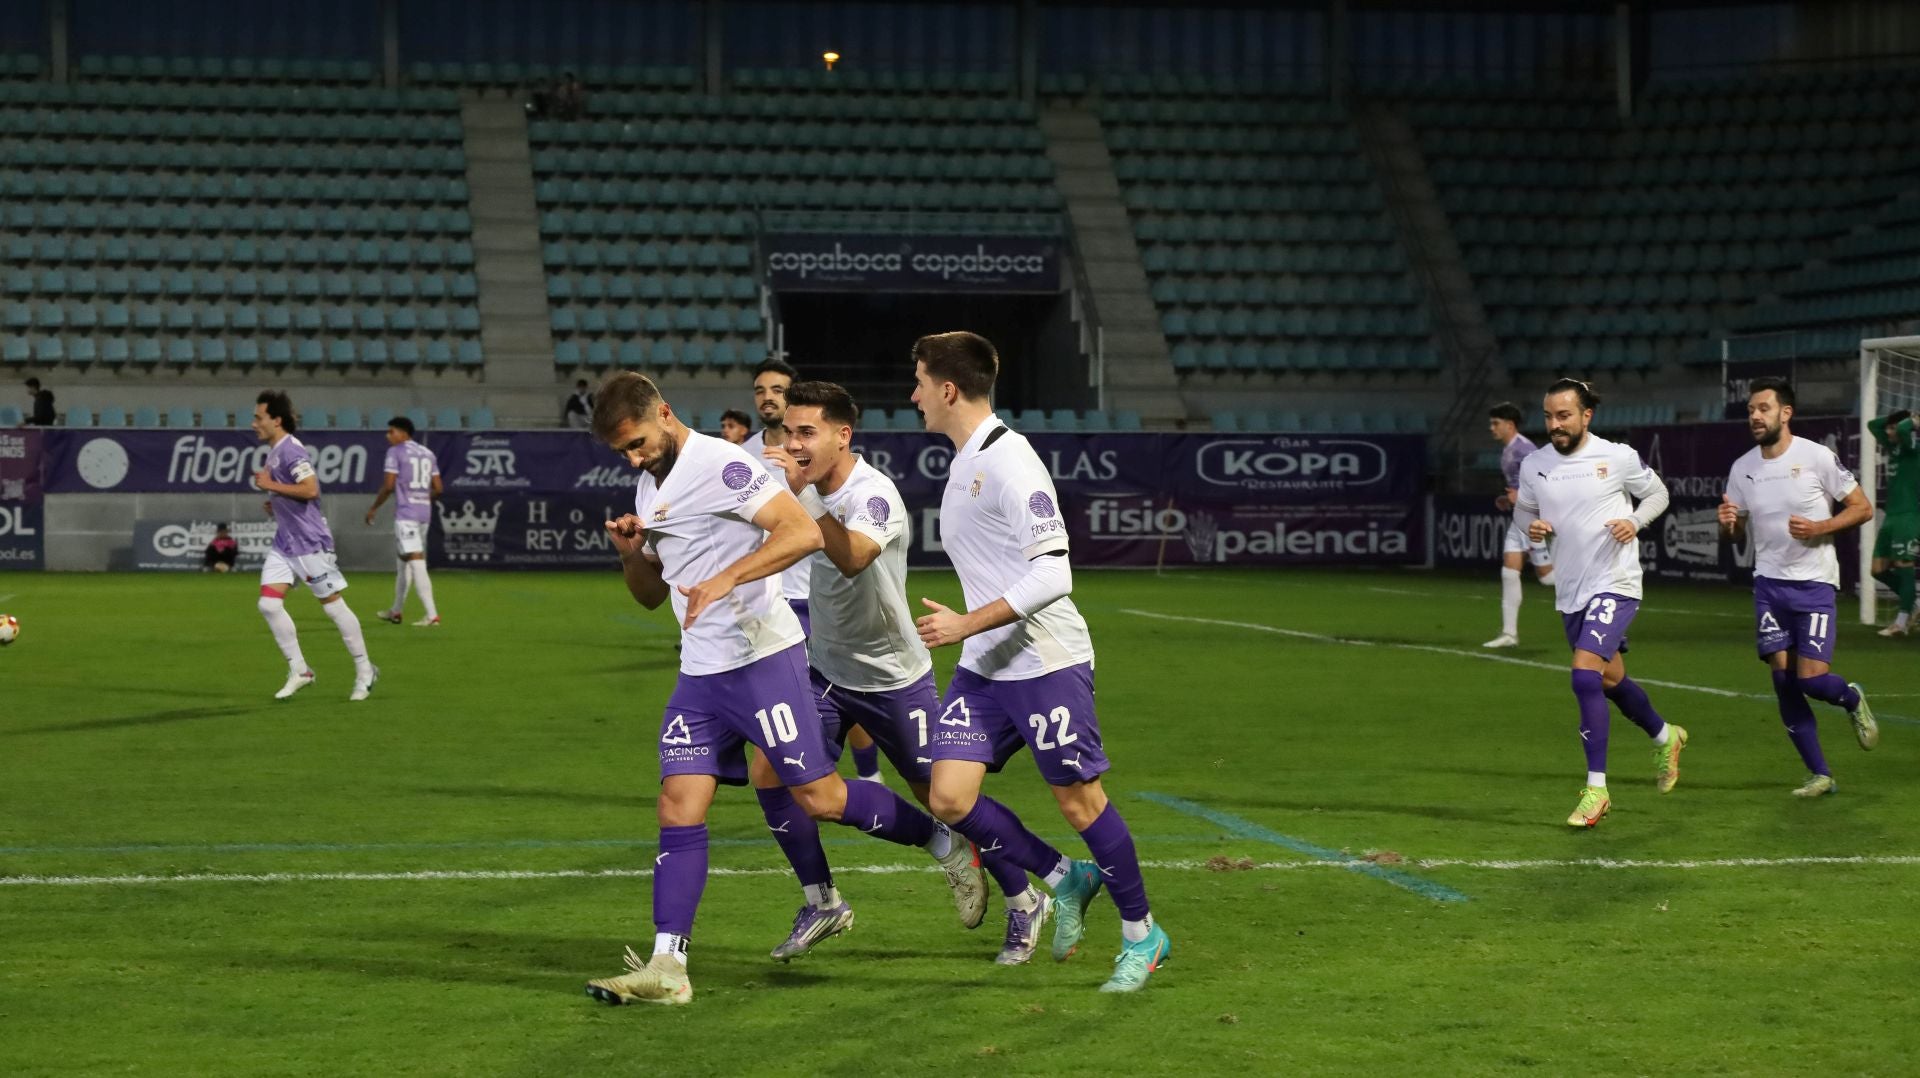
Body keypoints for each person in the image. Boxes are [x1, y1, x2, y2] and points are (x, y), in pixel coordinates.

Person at [580, 371, 983, 1006]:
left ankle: (945, 842)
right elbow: (654, 595)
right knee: (677, 806)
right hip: (700, 674)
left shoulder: (721, 464)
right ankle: (668, 966)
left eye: (636, 443)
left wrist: (726, 578)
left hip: (763, 660)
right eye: (622, 452)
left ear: (664, 412)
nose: (633, 458)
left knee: (821, 798)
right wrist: (633, 554)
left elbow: (797, 531)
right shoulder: (649, 482)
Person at [910, 331, 1171, 993]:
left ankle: (1143, 936)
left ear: (946, 389)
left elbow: (1054, 575)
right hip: (986, 665)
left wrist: (967, 621)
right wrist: (972, 634)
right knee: (949, 796)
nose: (912, 396)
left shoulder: (1009, 462)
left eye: (919, 382)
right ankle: (1066, 878)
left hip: (1044, 661)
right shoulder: (965, 460)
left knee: (1080, 803)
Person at [756, 379, 1051, 962]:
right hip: (824, 672)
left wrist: (801, 500)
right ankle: (823, 901)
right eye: (789, 432)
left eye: (807, 433)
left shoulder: (874, 494)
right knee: (774, 776)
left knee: (949, 799)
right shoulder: (799, 489)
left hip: (895, 680)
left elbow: (853, 557)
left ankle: (1023, 898)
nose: (793, 445)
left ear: (843, 436)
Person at [1512, 378, 1684, 828]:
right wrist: (1534, 530)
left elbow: (1659, 494)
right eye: (1549, 416)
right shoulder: (1534, 465)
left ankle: (1596, 789)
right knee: (1611, 682)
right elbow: (1524, 511)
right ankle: (1666, 736)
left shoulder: (1617, 457)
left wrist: (1633, 520)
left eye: (1564, 416)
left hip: (1616, 581)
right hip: (1571, 591)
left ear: (1587, 415)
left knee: (1584, 675)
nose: (1555, 425)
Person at [1718, 378, 1879, 797]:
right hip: (1769, 585)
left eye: (1764, 408)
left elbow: (1863, 508)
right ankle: (1819, 773)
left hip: (1813, 585)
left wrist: (1821, 526)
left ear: (1785, 413)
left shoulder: (1816, 456)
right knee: (1783, 679)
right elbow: (1736, 537)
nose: (1755, 415)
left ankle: (1850, 698)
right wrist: (1730, 526)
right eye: (1751, 409)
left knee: (1810, 679)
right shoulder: (1743, 468)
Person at [751, 357, 884, 783]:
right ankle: (805, 781)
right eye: (761, 390)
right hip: (774, 599)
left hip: (819, 594)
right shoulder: (741, 456)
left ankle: (867, 775)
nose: (769, 398)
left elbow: (852, 548)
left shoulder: (826, 464)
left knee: (845, 692)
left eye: (779, 391)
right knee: (781, 705)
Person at [250, 390, 378, 702]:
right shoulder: (275, 451)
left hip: (309, 543)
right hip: (285, 542)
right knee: (268, 604)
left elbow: (310, 489)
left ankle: (365, 669)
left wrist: (270, 486)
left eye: (259, 417)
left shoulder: (292, 451)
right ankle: (301, 670)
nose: (254, 423)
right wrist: (276, 502)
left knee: (334, 607)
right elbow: (295, 493)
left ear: (276, 420)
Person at [1483, 402, 1555, 648]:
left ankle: (1591, 580)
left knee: (1547, 579)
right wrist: (1509, 498)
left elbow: (1546, 481)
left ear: (1510, 425)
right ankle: (1509, 634)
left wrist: (1521, 497)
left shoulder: (1524, 449)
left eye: (1495, 423)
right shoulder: (1508, 450)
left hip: (1533, 517)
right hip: (1520, 517)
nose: (1491, 427)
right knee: (1509, 571)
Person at [366, 416, 443, 627]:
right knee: (403, 563)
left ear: (404, 434)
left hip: (407, 515)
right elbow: (438, 488)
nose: (388, 435)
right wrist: (421, 498)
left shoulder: (395, 452)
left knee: (416, 562)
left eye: (392, 431)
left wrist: (374, 507)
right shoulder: (428, 454)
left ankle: (432, 615)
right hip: (424, 515)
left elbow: (389, 485)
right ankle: (396, 611)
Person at [1867, 408, 1918, 636]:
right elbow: (1872, 425)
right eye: (1889, 428)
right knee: (1877, 569)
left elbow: (1905, 429)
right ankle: (1914, 602)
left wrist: (1912, 422)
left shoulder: (1912, 447)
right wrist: (1899, 416)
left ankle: (1901, 622)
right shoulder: (1894, 447)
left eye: (1892, 428)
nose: (1887, 432)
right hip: (1891, 517)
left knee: (1903, 565)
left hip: (1909, 516)